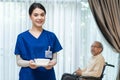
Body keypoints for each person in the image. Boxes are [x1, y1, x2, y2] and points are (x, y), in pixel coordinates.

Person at [14, 2, 62, 80]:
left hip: (47, 76)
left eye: (42, 15)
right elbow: (19, 61)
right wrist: (29, 63)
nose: (39, 18)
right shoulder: (22, 37)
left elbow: (54, 59)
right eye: (36, 15)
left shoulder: (51, 36)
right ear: (30, 17)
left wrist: (52, 63)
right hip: (28, 76)